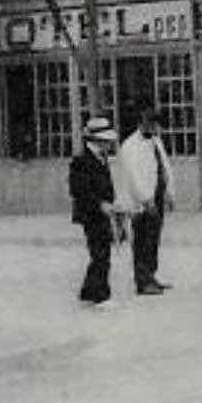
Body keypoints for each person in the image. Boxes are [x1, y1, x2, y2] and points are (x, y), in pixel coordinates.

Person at [118, 106, 174, 295]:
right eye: (155, 125)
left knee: (154, 239)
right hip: (141, 201)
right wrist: (146, 199)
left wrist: (169, 192)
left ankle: (151, 275)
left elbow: (164, 166)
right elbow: (133, 176)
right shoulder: (129, 146)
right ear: (144, 124)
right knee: (142, 240)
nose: (158, 130)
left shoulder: (155, 141)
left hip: (157, 195)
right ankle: (142, 281)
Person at [69, 116, 119, 309]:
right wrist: (99, 204)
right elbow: (78, 190)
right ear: (95, 141)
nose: (108, 145)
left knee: (101, 251)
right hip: (91, 213)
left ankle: (88, 290)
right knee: (100, 253)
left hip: (104, 211)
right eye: (105, 141)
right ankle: (101, 295)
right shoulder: (81, 161)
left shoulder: (102, 159)